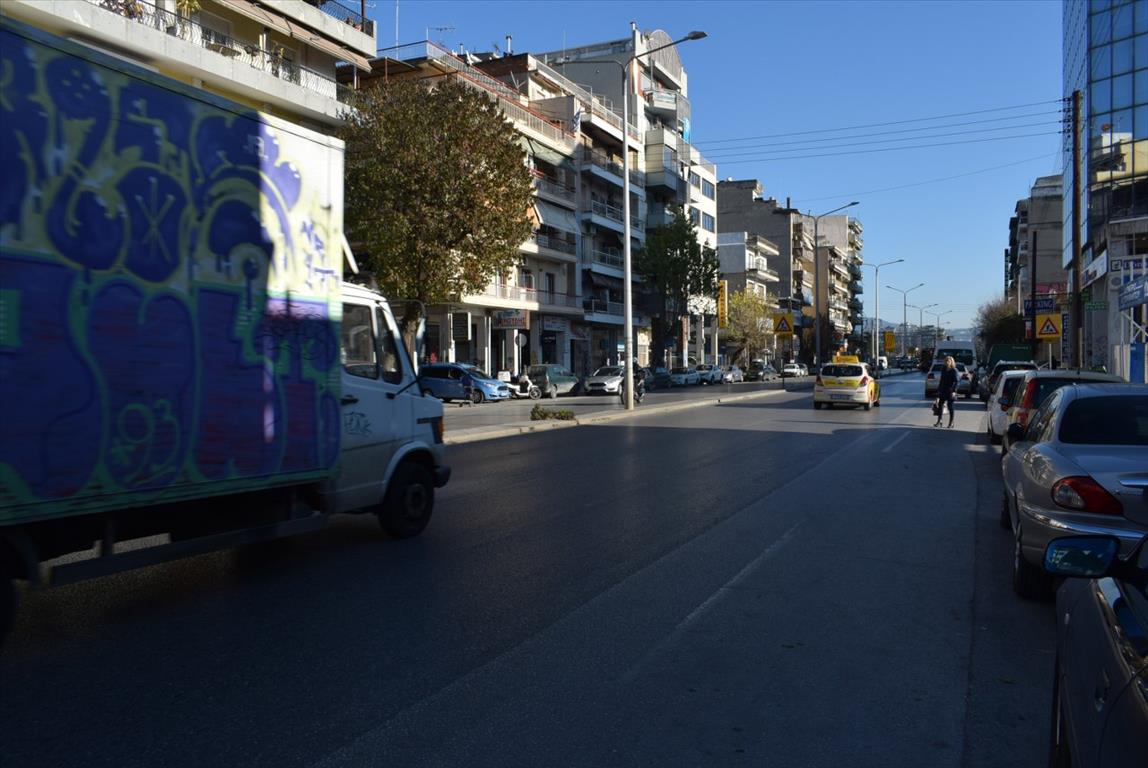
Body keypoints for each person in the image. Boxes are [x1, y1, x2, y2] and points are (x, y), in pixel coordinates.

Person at [935, 355, 958, 428]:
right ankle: (939, 420)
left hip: (950, 390)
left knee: (950, 406)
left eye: (948, 361)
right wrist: (938, 390)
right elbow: (941, 380)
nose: (947, 362)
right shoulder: (943, 369)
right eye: (946, 361)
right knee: (940, 405)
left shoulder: (954, 370)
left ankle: (951, 422)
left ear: (951, 362)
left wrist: (954, 391)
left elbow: (956, 381)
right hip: (943, 389)